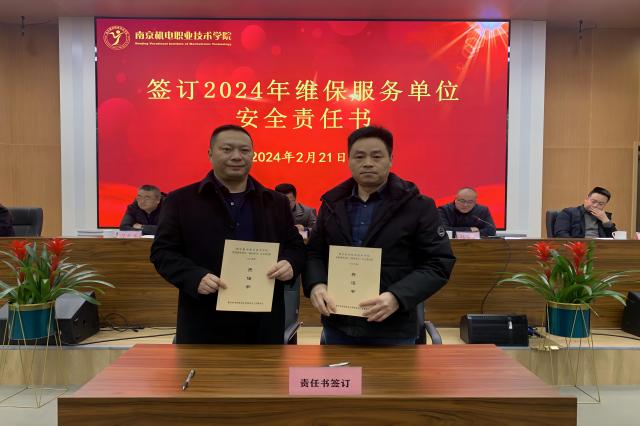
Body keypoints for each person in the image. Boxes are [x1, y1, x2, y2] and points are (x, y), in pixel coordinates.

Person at [150, 124, 305, 344]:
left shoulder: (275, 202)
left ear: (253, 155)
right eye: (227, 149)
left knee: (265, 367)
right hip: (203, 318)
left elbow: (295, 246)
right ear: (210, 154)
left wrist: (290, 263)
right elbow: (162, 252)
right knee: (204, 368)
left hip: (263, 322)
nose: (236, 156)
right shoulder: (180, 201)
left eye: (244, 150)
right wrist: (193, 276)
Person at [303, 125, 456, 345]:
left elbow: (438, 262)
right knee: (338, 370)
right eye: (359, 156)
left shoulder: (418, 206)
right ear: (348, 160)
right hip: (338, 323)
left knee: (393, 371)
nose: (367, 163)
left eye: (376, 156)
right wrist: (316, 284)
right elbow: (314, 253)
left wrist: (397, 297)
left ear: (391, 159)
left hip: (393, 326)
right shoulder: (332, 204)